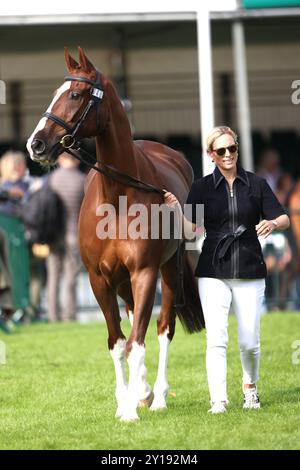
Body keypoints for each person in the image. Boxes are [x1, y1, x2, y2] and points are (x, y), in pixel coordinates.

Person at [164, 126, 290, 414]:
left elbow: (283, 217)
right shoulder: (201, 188)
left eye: (231, 148)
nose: (228, 154)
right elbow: (191, 231)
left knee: (249, 341)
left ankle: (250, 388)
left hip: (250, 268)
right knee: (217, 337)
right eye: (221, 150)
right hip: (212, 271)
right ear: (211, 155)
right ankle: (218, 399)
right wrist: (175, 210)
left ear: (237, 149)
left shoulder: (256, 184)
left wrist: (272, 223)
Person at [46, 152, 86, 322]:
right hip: (74, 234)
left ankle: (53, 315)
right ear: (77, 160)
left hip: (53, 234)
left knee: (53, 276)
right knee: (71, 277)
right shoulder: (83, 180)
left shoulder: (50, 179)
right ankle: (70, 315)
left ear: (60, 159)